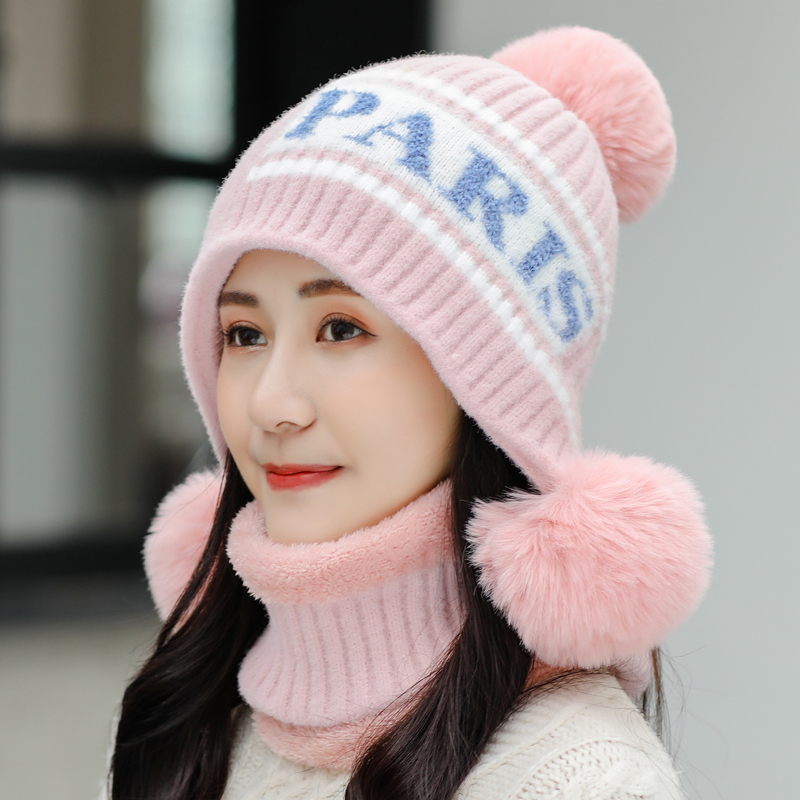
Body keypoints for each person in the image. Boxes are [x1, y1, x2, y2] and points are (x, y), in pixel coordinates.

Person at [108, 26, 712, 800]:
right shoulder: (186, 730)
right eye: (245, 334)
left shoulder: (579, 779)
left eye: (341, 329)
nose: (271, 404)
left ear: (486, 382)